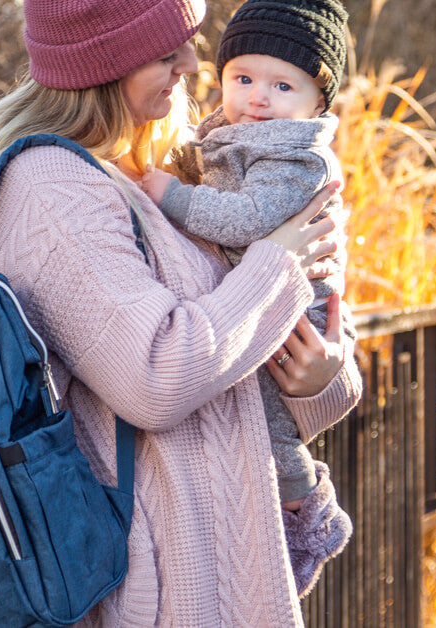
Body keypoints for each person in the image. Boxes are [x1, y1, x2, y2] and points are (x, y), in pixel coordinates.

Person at [0, 0, 363, 624]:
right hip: (162, 588)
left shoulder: (173, 167)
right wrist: (280, 265)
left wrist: (322, 376)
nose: (193, 63)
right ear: (105, 63)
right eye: (166, 53)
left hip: (231, 562)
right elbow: (157, 376)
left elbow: (262, 373)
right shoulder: (50, 189)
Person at [137, 0, 352, 535]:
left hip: (297, 308)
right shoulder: (233, 133)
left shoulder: (297, 157)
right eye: (244, 77)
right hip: (265, 293)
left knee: (269, 424)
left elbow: (249, 219)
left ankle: (301, 509)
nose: (258, 96)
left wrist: (174, 197)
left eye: (283, 87)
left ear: (317, 101)